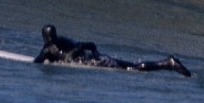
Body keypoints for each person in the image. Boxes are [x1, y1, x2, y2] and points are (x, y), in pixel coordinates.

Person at [34, 24, 192, 75]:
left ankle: (167, 63)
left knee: (132, 68)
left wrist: (69, 57)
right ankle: (167, 64)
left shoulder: (49, 49)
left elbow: (36, 62)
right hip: (98, 59)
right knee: (131, 66)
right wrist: (95, 54)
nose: (50, 40)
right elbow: (91, 45)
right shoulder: (62, 41)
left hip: (94, 62)